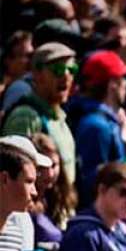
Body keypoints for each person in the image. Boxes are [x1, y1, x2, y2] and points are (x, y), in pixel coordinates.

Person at [2, 42, 77, 187]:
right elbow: (15, 177)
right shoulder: (25, 117)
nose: (66, 76)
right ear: (37, 75)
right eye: (58, 69)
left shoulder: (60, 117)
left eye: (72, 69)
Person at [69, 50, 126, 204]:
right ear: (112, 84)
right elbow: (95, 183)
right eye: (123, 78)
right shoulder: (97, 127)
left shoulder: (105, 122)